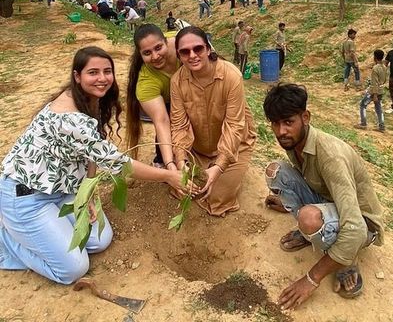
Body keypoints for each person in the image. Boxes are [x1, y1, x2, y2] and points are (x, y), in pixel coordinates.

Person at [0, 47, 187, 285]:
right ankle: (7, 239)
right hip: (26, 198)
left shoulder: (88, 100)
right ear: (77, 76)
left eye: (107, 71)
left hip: (61, 192)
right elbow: (118, 163)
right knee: (73, 269)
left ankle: (40, 233)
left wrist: (86, 192)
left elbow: (91, 155)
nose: (102, 78)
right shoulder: (71, 119)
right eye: (93, 72)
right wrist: (168, 176)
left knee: (100, 240)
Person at [263, 83, 383, 309]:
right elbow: (310, 179)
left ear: (305, 117)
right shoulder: (296, 142)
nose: (281, 131)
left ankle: (346, 260)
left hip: (362, 223)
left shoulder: (330, 156)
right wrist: (287, 200)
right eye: (275, 124)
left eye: (288, 122)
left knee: (309, 218)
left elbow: (356, 226)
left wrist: (311, 279)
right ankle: (313, 233)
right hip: (329, 201)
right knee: (275, 172)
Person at [170, 26, 256, 216]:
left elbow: (234, 126)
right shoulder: (177, 81)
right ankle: (205, 167)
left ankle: (229, 171)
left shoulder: (232, 76)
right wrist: (180, 160)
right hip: (198, 148)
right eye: (185, 52)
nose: (192, 55)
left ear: (208, 49)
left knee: (217, 199)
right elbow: (179, 125)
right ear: (179, 56)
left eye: (198, 49)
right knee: (187, 188)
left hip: (235, 145)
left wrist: (219, 166)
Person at [126, 24, 180, 169]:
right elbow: (161, 121)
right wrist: (169, 163)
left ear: (166, 41)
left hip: (191, 94)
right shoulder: (146, 82)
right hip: (167, 100)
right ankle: (161, 160)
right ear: (140, 54)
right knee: (168, 122)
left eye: (158, 48)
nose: (155, 56)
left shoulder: (183, 46)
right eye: (147, 53)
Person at [355, 49, 387, 132]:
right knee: (378, 108)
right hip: (381, 89)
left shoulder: (375, 68)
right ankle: (381, 126)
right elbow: (384, 80)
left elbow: (374, 83)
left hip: (373, 91)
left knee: (362, 105)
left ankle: (363, 123)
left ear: (375, 57)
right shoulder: (384, 67)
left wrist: (374, 94)